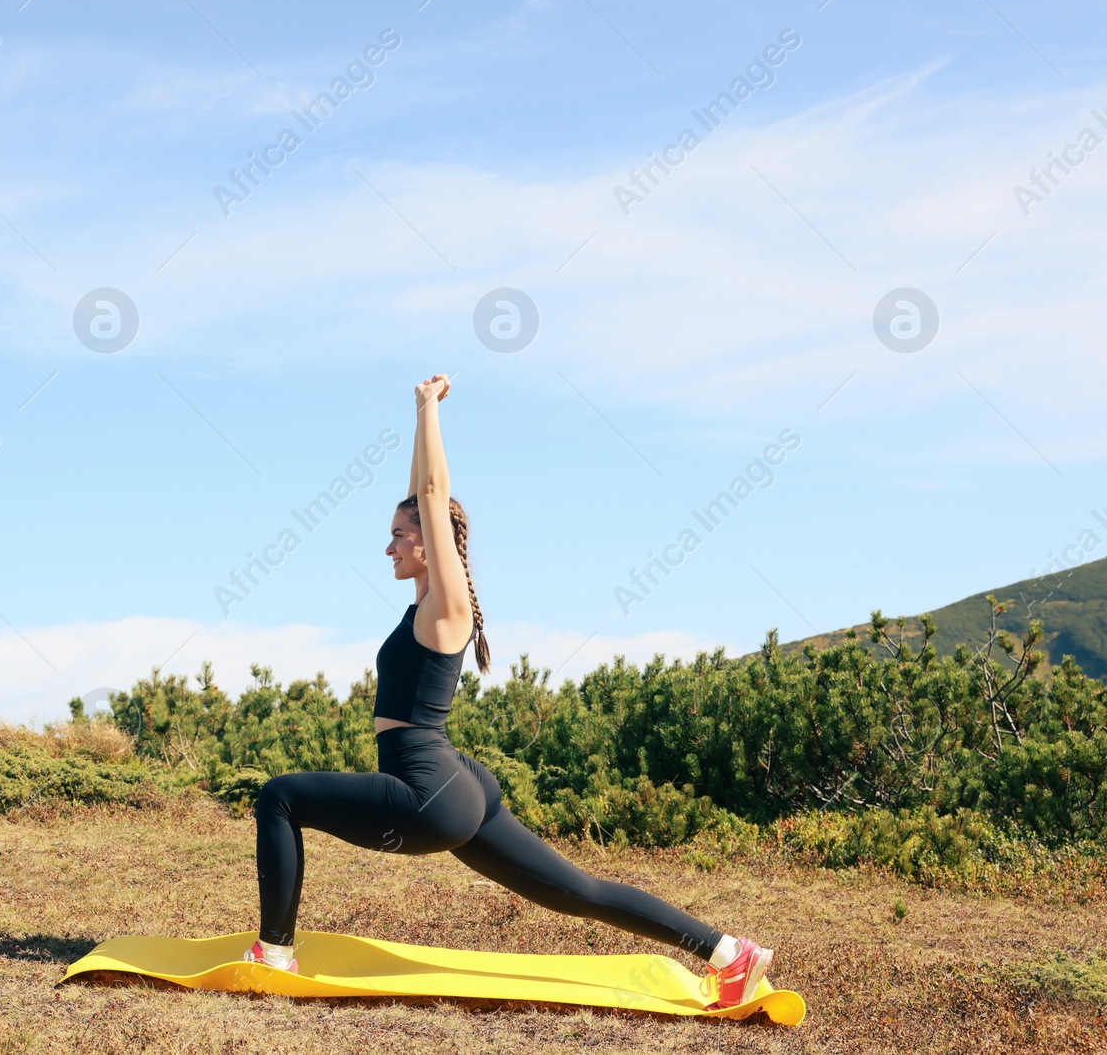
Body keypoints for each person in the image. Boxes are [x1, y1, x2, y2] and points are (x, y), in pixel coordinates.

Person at [240, 374, 774, 1009]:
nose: (388, 545)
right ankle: (726, 952)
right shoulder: (428, 600)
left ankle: (273, 952)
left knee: (278, 797)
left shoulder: (447, 606)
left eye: (399, 535)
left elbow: (432, 496)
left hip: (426, 788)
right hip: (457, 784)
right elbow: (423, 493)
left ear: (430, 543)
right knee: (578, 890)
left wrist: (424, 408)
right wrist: (420, 419)